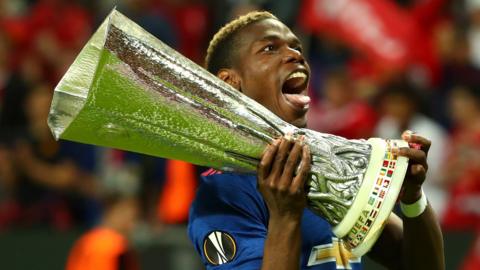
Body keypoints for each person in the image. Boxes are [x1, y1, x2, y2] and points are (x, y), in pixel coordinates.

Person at [188, 11, 444, 270]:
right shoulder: (222, 194)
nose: (295, 55)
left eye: (297, 47)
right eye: (269, 48)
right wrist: (286, 217)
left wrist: (412, 197)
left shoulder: (328, 165)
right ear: (230, 83)